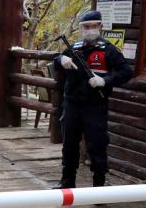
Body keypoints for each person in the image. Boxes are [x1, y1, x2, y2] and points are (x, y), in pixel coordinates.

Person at [52, 10, 133, 189]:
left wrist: (105, 80)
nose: (90, 30)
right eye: (86, 27)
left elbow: (126, 72)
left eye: (93, 26)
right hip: (72, 103)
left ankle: (99, 185)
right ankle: (67, 181)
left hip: (95, 105)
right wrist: (61, 58)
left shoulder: (108, 50)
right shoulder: (75, 47)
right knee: (70, 144)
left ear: (100, 27)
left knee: (97, 144)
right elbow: (55, 63)